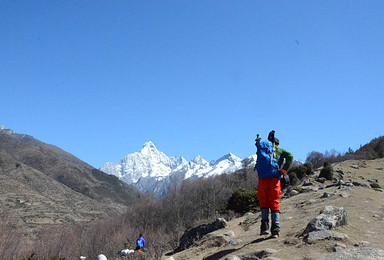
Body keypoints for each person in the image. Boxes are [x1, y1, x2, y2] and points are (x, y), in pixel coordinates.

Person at [255, 133, 293, 238]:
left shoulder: (263, 149)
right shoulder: (279, 151)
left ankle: (264, 228)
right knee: (274, 204)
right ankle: (275, 231)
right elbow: (290, 156)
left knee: (264, 203)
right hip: (274, 180)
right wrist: (283, 171)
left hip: (262, 180)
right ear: (277, 144)